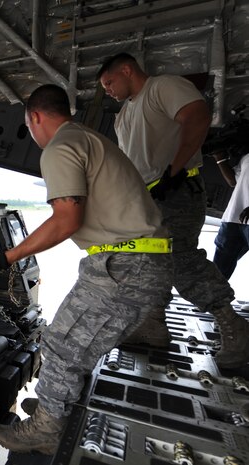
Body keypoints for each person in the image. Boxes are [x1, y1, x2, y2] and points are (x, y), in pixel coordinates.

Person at [0, 84, 173, 455]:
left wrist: (8, 256)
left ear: (34, 117)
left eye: (29, 126)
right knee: (76, 340)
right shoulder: (88, 137)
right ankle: (53, 406)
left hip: (124, 264)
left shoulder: (59, 148)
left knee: (61, 344)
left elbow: (66, 219)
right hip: (143, 259)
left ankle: (47, 428)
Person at [97, 53, 249, 369]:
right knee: (149, 264)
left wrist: (173, 171)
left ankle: (235, 329)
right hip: (147, 200)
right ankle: (153, 326)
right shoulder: (123, 115)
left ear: (126, 70)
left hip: (177, 192)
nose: (107, 90)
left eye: (109, 82)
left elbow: (197, 116)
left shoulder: (162, 88)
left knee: (181, 260)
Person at [213, 152, 249, 280]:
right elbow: (234, 181)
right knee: (217, 274)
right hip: (232, 219)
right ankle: (213, 299)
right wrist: (220, 158)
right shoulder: (246, 157)